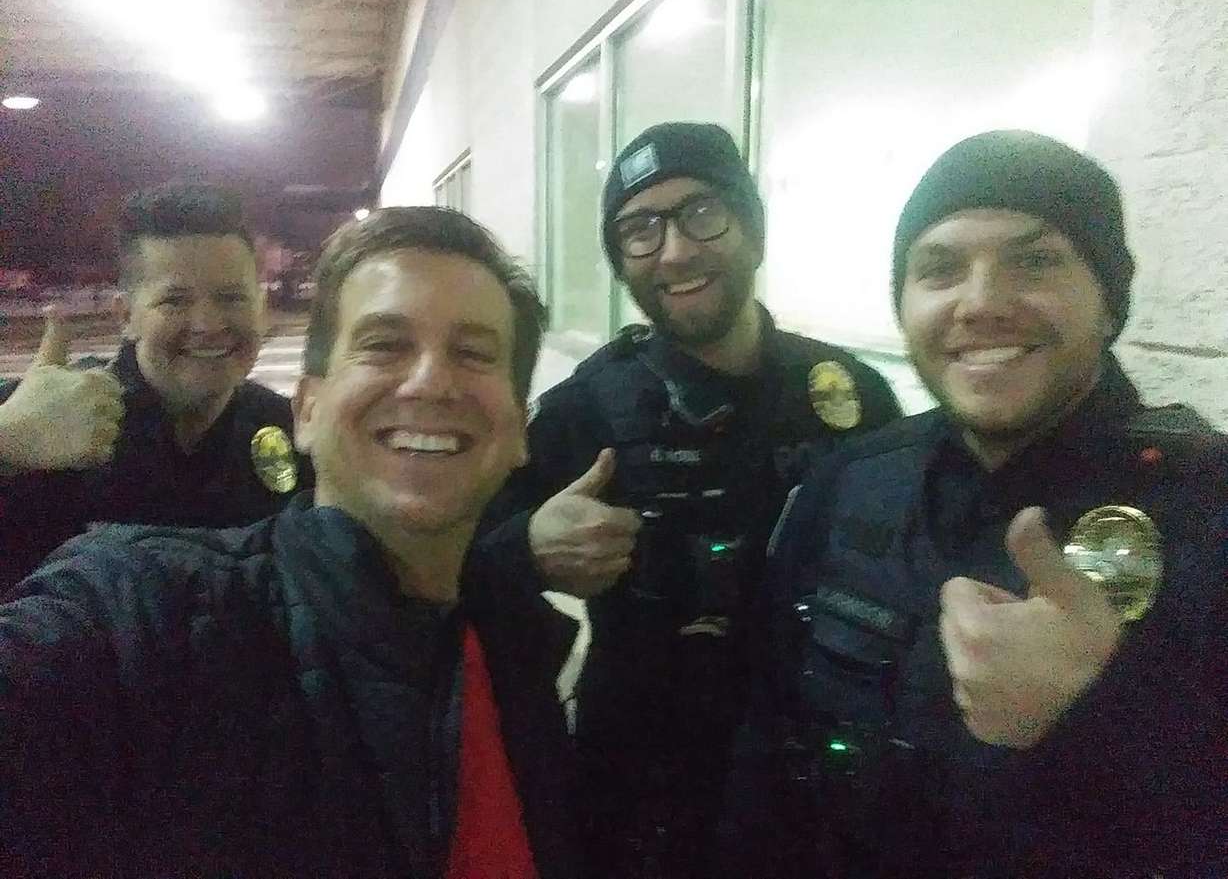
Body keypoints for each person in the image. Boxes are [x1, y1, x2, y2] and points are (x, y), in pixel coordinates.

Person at [0, 207, 578, 878]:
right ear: (309, 409)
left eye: (474, 353)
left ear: (520, 429)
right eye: (384, 344)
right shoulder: (129, 612)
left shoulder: (518, 663)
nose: (430, 381)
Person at [729, 130, 1227, 878]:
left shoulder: (1208, 514)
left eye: (1035, 261)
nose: (983, 303)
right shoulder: (851, 482)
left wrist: (1096, 710)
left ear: (1108, 299)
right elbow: (767, 750)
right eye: (939, 269)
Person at [478, 121, 901, 878]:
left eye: (702, 213)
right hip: (641, 794)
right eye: (640, 229)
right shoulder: (587, 408)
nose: (674, 251)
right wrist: (527, 547)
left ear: (753, 229)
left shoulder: (848, 395)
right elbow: (459, 555)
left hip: (815, 780)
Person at [0, 183, 311, 589]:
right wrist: (7, 442)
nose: (208, 324)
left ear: (261, 309)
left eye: (231, 297)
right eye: (175, 301)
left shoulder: (286, 426)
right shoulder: (42, 415)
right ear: (125, 316)